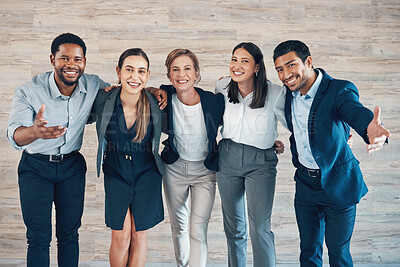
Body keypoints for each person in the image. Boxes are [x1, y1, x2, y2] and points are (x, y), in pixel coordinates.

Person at [273, 40, 391, 266]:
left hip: (339, 183)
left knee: (338, 254)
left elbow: (355, 113)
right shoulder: (288, 95)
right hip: (305, 185)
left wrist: (372, 131)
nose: (285, 74)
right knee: (308, 252)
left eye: (291, 65)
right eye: (279, 69)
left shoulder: (339, 90)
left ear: (308, 62)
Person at [6, 33, 108, 267]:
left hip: (71, 167)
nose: (71, 65)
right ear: (52, 59)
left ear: (84, 62)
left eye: (77, 59)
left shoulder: (93, 84)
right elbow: (14, 134)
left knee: (69, 235)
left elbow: (124, 92)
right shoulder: (29, 90)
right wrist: (34, 132)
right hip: (36, 167)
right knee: (39, 238)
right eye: (64, 58)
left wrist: (154, 92)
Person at [90, 48, 164, 267]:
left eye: (141, 71)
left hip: (147, 173)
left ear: (148, 75)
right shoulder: (103, 99)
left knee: (139, 234)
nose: (135, 76)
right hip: (116, 171)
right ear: (118, 71)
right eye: (129, 70)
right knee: (121, 236)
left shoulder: (155, 102)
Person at [215, 42, 286, 267]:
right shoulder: (222, 86)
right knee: (234, 227)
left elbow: (298, 123)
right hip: (227, 158)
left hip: (261, 163)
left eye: (244, 61)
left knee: (260, 228)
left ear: (256, 67)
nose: (237, 65)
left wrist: (269, 138)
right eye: (234, 59)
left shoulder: (275, 92)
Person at [159, 49, 225, 267]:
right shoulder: (164, 96)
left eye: (187, 68)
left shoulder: (214, 102)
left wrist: (270, 140)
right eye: (175, 69)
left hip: (205, 172)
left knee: (198, 228)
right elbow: (140, 93)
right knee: (179, 226)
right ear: (169, 76)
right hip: (174, 169)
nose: (181, 74)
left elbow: (238, 122)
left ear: (196, 74)